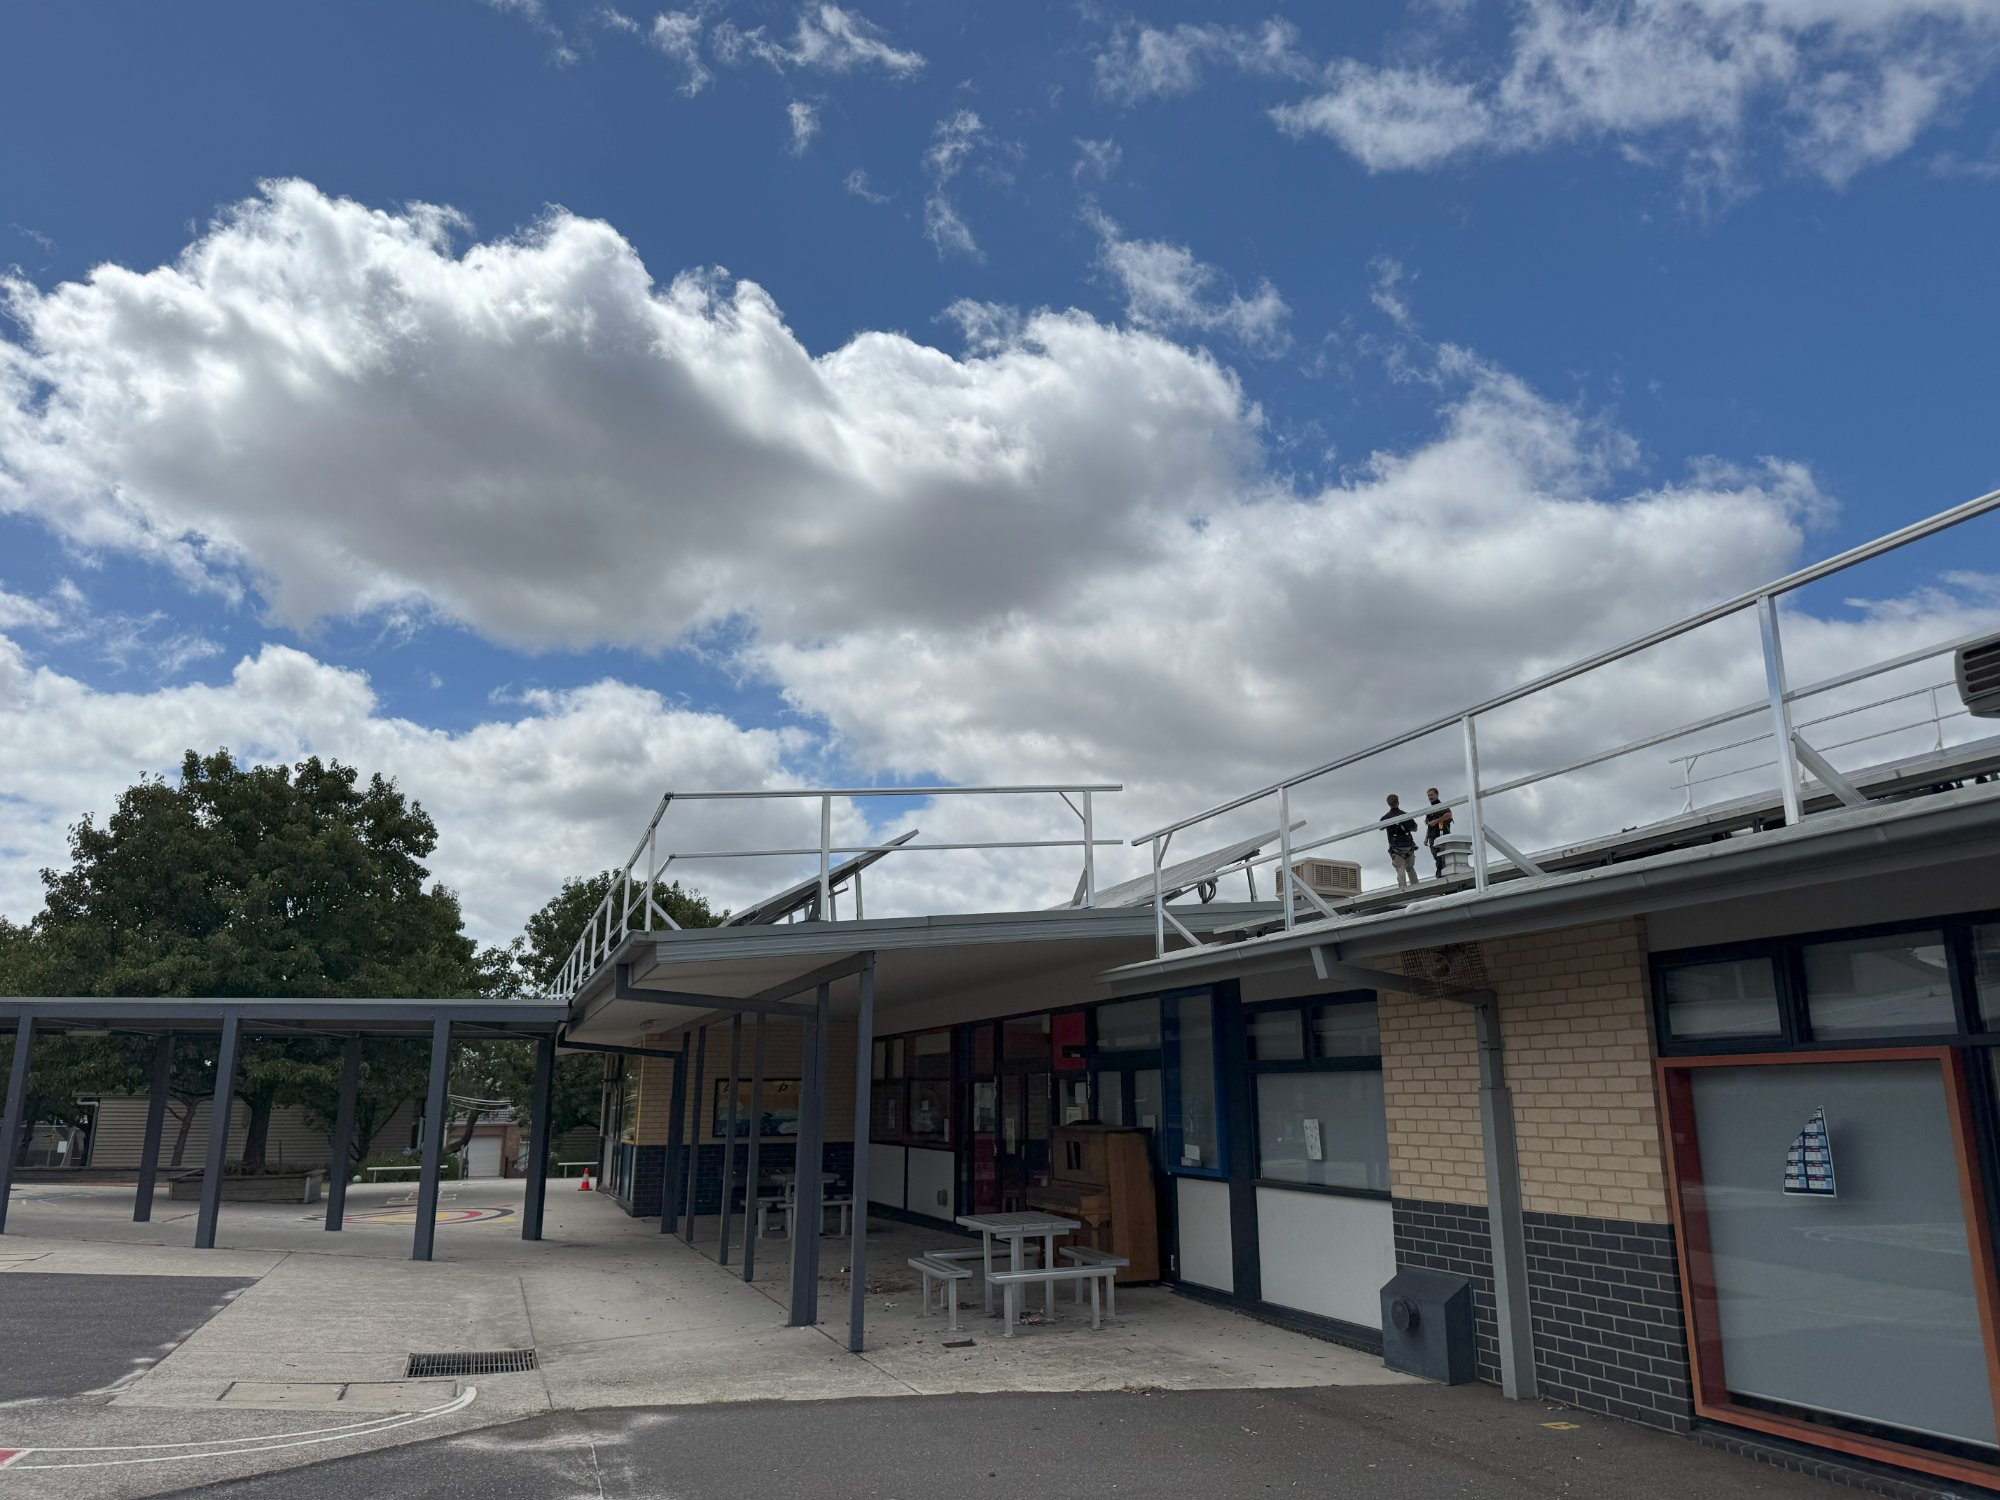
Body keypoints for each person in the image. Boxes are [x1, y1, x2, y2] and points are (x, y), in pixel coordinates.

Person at [1382, 794, 1419, 890]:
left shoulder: (1386, 818)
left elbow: (1380, 827)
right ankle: (1417, 889)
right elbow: (1415, 828)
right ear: (1398, 802)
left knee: (1400, 870)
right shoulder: (1406, 815)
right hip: (1409, 847)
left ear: (1388, 804)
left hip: (1397, 849)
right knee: (1410, 869)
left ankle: (1403, 891)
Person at [1424, 787, 1454, 879]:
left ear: (1437, 794)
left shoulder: (1442, 806)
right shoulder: (1430, 810)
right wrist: (1426, 838)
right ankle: (1441, 874)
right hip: (1432, 836)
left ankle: (1442, 875)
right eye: (1428, 795)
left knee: (1443, 856)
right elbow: (1429, 824)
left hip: (1442, 834)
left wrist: (1437, 821)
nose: (1430, 797)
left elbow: (1448, 815)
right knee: (1437, 857)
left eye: (1431, 795)